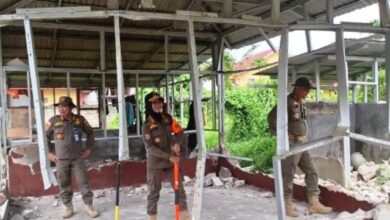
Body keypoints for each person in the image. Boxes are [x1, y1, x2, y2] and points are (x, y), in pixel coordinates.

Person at [268, 77, 332, 217]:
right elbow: (271, 118)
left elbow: (300, 121)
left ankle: (314, 203)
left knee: (312, 171)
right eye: (306, 90)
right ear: (298, 88)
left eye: (308, 90)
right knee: (288, 175)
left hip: (302, 144)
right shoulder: (287, 103)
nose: (308, 92)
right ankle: (287, 205)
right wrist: (282, 134)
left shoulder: (300, 103)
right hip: (292, 145)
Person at [46, 96, 99, 219]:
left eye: (64, 106)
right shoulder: (53, 121)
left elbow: (90, 132)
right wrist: (49, 152)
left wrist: (89, 147)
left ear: (70, 107)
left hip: (77, 158)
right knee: (64, 183)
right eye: (59, 106)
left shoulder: (79, 120)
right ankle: (68, 207)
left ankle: (88, 206)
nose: (61, 109)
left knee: (83, 182)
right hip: (61, 159)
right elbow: (44, 136)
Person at [142, 91, 190, 220]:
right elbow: (150, 148)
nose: (159, 105)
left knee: (179, 188)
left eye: (160, 102)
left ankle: (184, 215)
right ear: (149, 105)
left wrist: (177, 143)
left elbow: (180, 133)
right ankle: (152, 216)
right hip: (156, 163)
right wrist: (169, 156)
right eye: (155, 103)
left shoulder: (167, 118)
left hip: (171, 161)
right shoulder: (147, 125)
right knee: (153, 191)